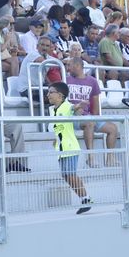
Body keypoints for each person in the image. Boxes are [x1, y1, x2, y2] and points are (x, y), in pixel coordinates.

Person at [45, 80, 93, 214]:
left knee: (71, 175)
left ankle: (86, 199)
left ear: (60, 95)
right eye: (48, 92)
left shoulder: (66, 105)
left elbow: (74, 108)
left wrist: (79, 107)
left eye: (51, 92)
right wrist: (55, 139)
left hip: (70, 147)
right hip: (61, 149)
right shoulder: (51, 109)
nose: (48, 95)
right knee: (66, 176)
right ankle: (84, 199)